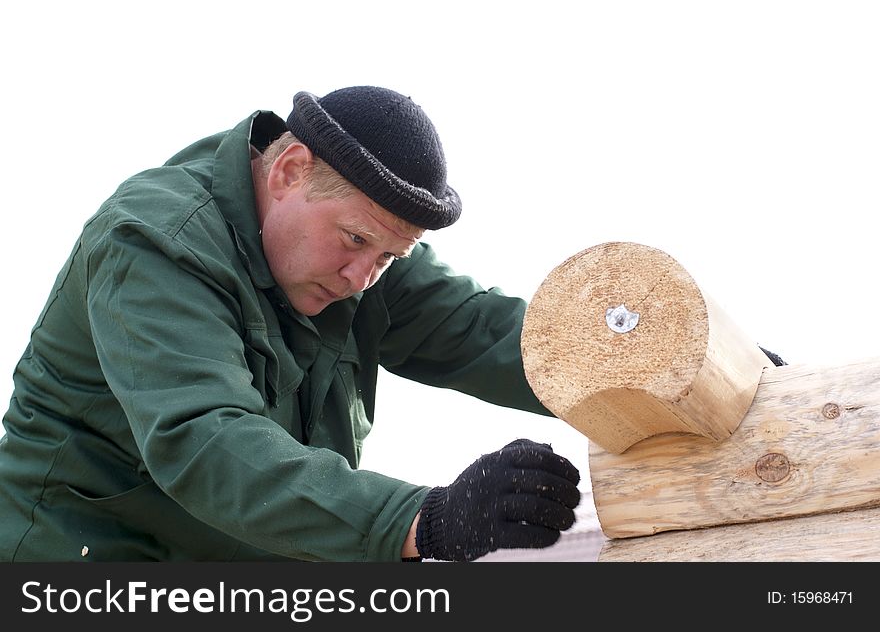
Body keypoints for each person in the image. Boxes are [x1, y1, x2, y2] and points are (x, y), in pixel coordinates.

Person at [0, 85, 582, 562]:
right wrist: (421, 518)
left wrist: (639, 376)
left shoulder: (365, 253)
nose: (361, 277)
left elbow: (482, 330)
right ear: (290, 171)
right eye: (355, 240)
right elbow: (208, 443)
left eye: (386, 258)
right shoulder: (156, 241)